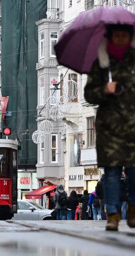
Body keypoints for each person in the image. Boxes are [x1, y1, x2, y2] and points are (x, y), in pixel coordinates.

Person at [84, 24, 135, 231]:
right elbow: (89, 94)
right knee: (112, 174)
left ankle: (132, 209)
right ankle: (112, 214)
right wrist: (104, 89)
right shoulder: (101, 64)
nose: (120, 39)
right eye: (117, 36)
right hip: (110, 129)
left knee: (133, 173)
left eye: (124, 36)